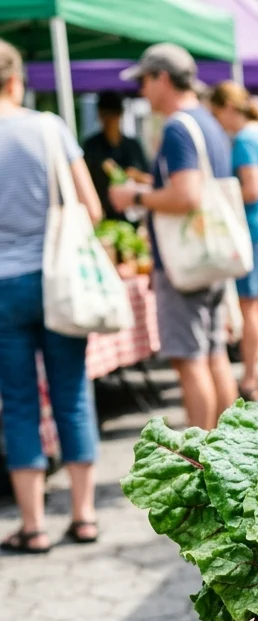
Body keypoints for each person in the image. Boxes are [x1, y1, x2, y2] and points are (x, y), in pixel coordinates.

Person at [0, 39, 103, 553]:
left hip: (2, 289)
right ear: (16, 80)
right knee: (72, 391)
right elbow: (92, 207)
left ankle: (33, 524)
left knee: (17, 403)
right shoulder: (48, 128)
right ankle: (84, 515)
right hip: (59, 279)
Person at [109, 43, 239, 431]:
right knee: (214, 355)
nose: (142, 92)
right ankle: (231, 445)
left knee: (191, 360)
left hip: (186, 264)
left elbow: (186, 195)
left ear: (162, 78)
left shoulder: (177, 127)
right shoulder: (207, 122)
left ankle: (202, 455)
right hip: (211, 257)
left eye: (145, 81)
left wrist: (133, 196)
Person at [209, 81, 258, 401]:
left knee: (250, 305)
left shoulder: (246, 139)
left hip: (251, 229)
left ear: (227, 108)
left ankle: (250, 377)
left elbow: (251, 188)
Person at [82, 92, 150, 221]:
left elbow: (150, 180)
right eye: (104, 117)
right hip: (102, 216)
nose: (108, 122)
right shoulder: (92, 146)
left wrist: (134, 175)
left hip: (132, 215)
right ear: (99, 116)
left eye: (111, 117)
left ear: (120, 115)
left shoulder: (132, 146)